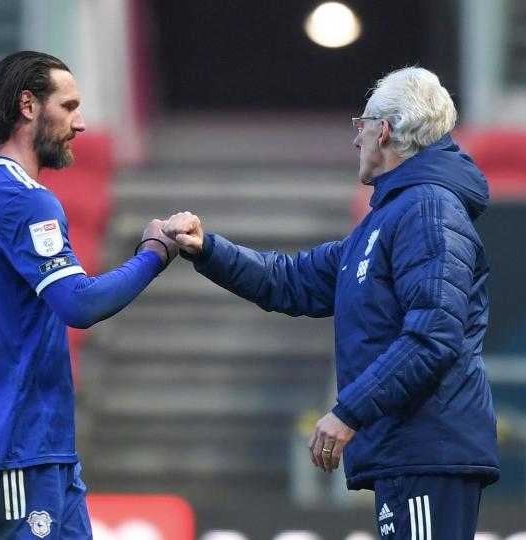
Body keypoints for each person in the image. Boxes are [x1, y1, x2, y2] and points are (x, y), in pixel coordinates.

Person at [163, 67, 499, 539]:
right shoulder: (388, 218)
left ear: (384, 131)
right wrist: (207, 249)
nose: (356, 138)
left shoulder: (428, 209)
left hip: (428, 451)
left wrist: (348, 411)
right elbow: (289, 280)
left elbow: (433, 337)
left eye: (362, 124)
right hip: (408, 453)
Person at [0, 51, 178, 539]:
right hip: (18, 456)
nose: (80, 124)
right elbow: (78, 303)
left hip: (40, 455)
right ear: (28, 105)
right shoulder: (24, 200)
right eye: (69, 107)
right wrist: (155, 253)